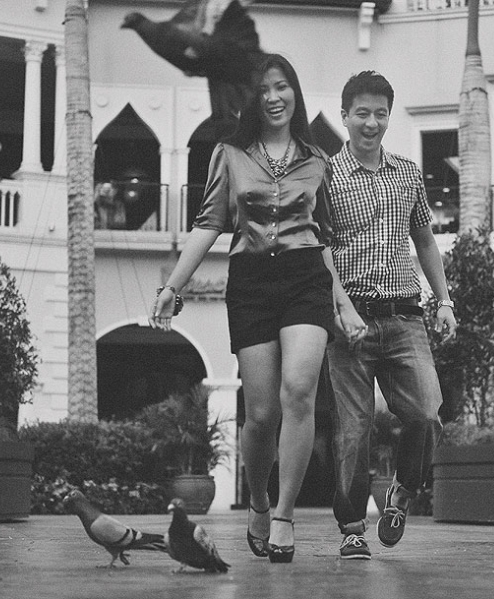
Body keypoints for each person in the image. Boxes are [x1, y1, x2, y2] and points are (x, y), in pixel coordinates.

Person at [150, 53, 345, 564]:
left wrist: (341, 300)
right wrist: (172, 286)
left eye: (282, 86)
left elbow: (324, 238)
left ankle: (284, 514)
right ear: (252, 100)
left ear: (295, 92)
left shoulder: (318, 160)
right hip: (251, 282)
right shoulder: (229, 154)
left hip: (306, 278)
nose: (274, 97)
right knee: (260, 414)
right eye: (264, 90)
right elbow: (209, 223)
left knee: (299, 392)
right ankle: (258, 499)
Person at [325, 71, 457, 560]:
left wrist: (444, 300)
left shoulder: (407, 172)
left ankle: (401, 492)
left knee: (426, 410)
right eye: (362, 113)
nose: (372, 122)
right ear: (344, 116)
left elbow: (424, 239)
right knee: (353, 429)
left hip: (405, 315)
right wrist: (339, 307)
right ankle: (352, 528)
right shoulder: (325, 176)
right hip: (350, 321)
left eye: (380, 113)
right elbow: (321, 249)